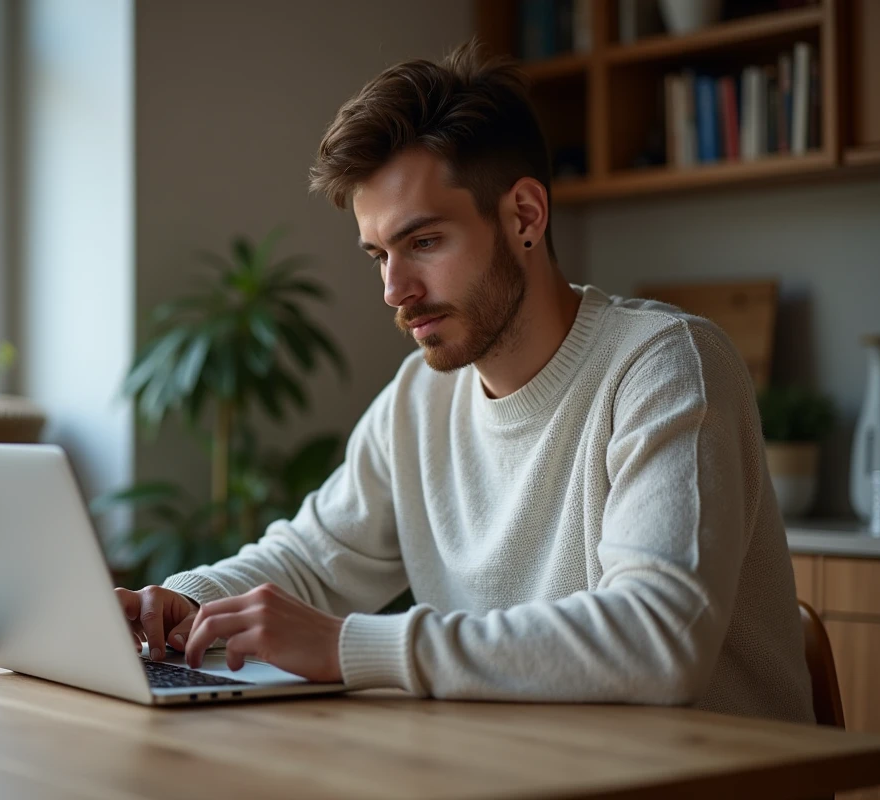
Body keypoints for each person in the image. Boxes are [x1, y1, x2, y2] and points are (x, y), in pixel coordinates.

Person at [114, 40, 814, 722]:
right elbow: (310, 560)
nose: (394, 289)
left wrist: (350, 646)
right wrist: (183, 601)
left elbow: (659, 640)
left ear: (525, 216)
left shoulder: (665, 366)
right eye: (378, 255)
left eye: (423, 243)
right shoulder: (419, 400)